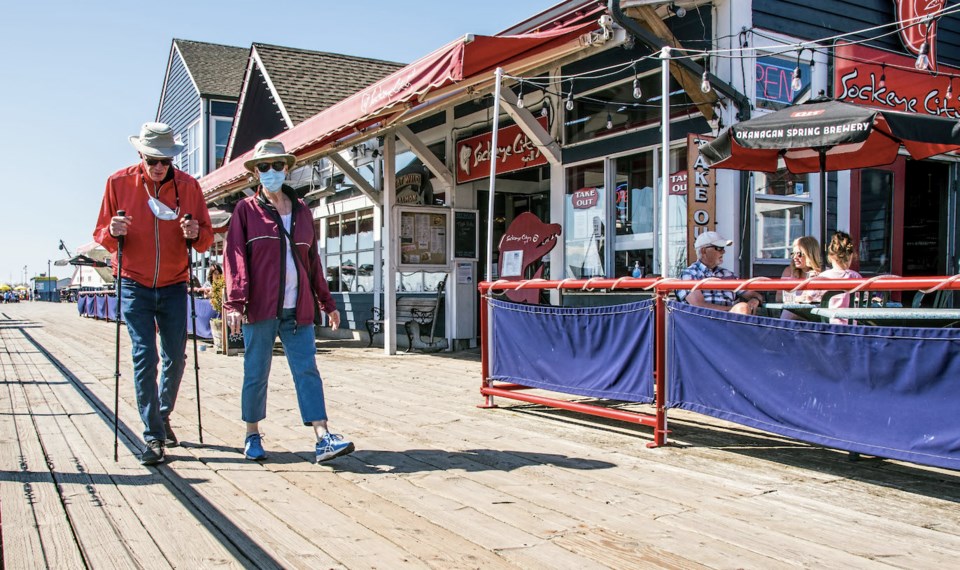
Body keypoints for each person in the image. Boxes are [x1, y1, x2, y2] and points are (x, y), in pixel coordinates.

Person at [223, 139, 353, 464]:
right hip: (261, 309)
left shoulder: (303, 212)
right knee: (256, 372)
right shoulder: (245, 211)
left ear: (287, 168)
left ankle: (323, 436)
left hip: (299, 311)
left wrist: (328, 302)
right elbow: (235, 257)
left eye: (276, 166)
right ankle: (252, 433)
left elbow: (313, 262)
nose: (270, 172)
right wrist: (235, 303)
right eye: (263, 167)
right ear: (255, 172)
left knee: (307, 370)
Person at [93, 122, 213, 466]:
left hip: (175, 283)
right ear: (140, 155)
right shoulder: (118, 183)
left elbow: (205, 238)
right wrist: (111, 231)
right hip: (134, 282)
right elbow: (101, 232)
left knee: (176, 357)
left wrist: (194, 233)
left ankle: (161, 415)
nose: (159, 167)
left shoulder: (189, 186)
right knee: (145, 356)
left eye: (166, 161)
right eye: (152, 160)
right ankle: (153, 435)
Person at [677, 231, 763, 315]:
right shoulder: (689, 274)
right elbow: (698, 306)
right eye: (718, 248)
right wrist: (734, 311)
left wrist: (755, 300)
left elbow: (756, 295)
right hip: (701, 323)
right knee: (742, 308)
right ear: (704, 251)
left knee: (742, 308)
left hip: (728, 323)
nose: (723, 252)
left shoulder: (728, 274)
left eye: (723, 248)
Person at [818, 231, 863, 323]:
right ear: (851, 256)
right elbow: (863, 297)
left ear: (830, 257)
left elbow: (811, 297)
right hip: (851, 327)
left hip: (828, 326)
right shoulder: (855, 276)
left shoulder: (823, 277)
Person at [777, 236, 823, 320]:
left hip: (817, 314)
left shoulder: (824, 273)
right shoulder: (789, 271)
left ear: (810, 254)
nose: (795, 257)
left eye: (799, 254)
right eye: (793, 254)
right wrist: (798, 298)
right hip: (794, 312)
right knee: (789, 311)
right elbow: (779, 297)